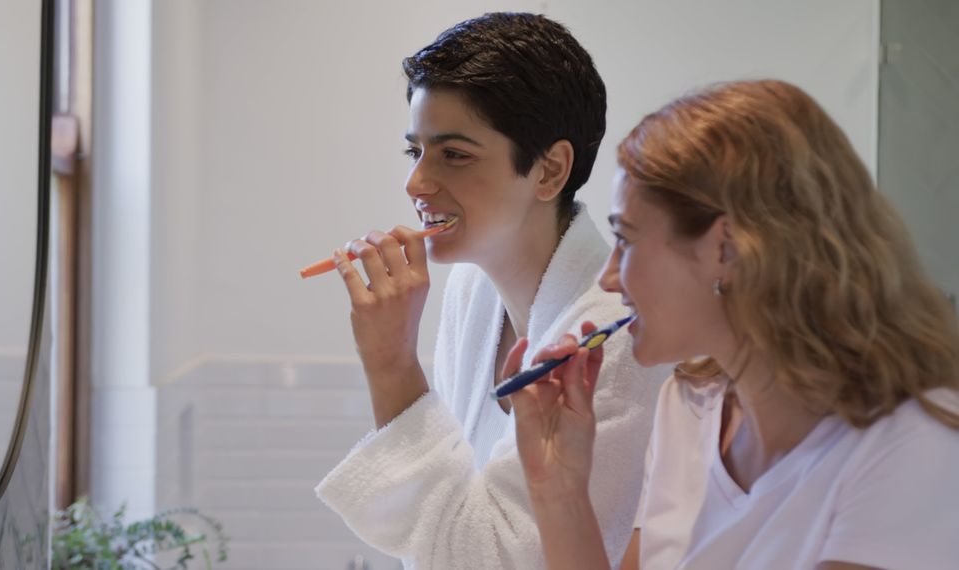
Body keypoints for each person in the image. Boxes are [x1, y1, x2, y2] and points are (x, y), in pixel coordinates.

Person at [508, 79, 959, 569]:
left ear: (726, 248)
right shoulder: (688, 406)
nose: (609, 276)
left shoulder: (916, 445)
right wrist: (558, 487)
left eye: (626, 239)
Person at [314, 12, 670, 569]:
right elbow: (451, 514)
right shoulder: (471, 289)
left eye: (453, 154)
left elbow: (495, 559)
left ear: (550, 171)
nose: (416, 183)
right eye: (416, 151)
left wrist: (390, 362)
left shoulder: (611, 339)